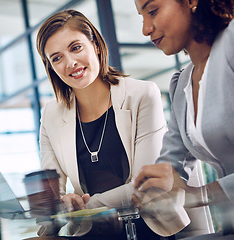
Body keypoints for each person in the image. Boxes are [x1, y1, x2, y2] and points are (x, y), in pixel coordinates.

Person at [33, 9, 188, 240]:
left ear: (95, 45)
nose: (70, 62)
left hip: (149, 227)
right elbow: (51, 193)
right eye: (57, 58)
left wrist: (89, 206)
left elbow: (145, 183)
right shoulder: (51, 115)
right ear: (51, 67)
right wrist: (65, 203)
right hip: (91, 231)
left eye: (75, 48)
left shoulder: (142, 94)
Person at [132, 0, 234, 238]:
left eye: (153, 11)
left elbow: (191, 193)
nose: (146, 29)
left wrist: (200, 194)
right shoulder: (181, 85)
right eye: (141, 17)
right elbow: (168, 167)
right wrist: (150, 192)